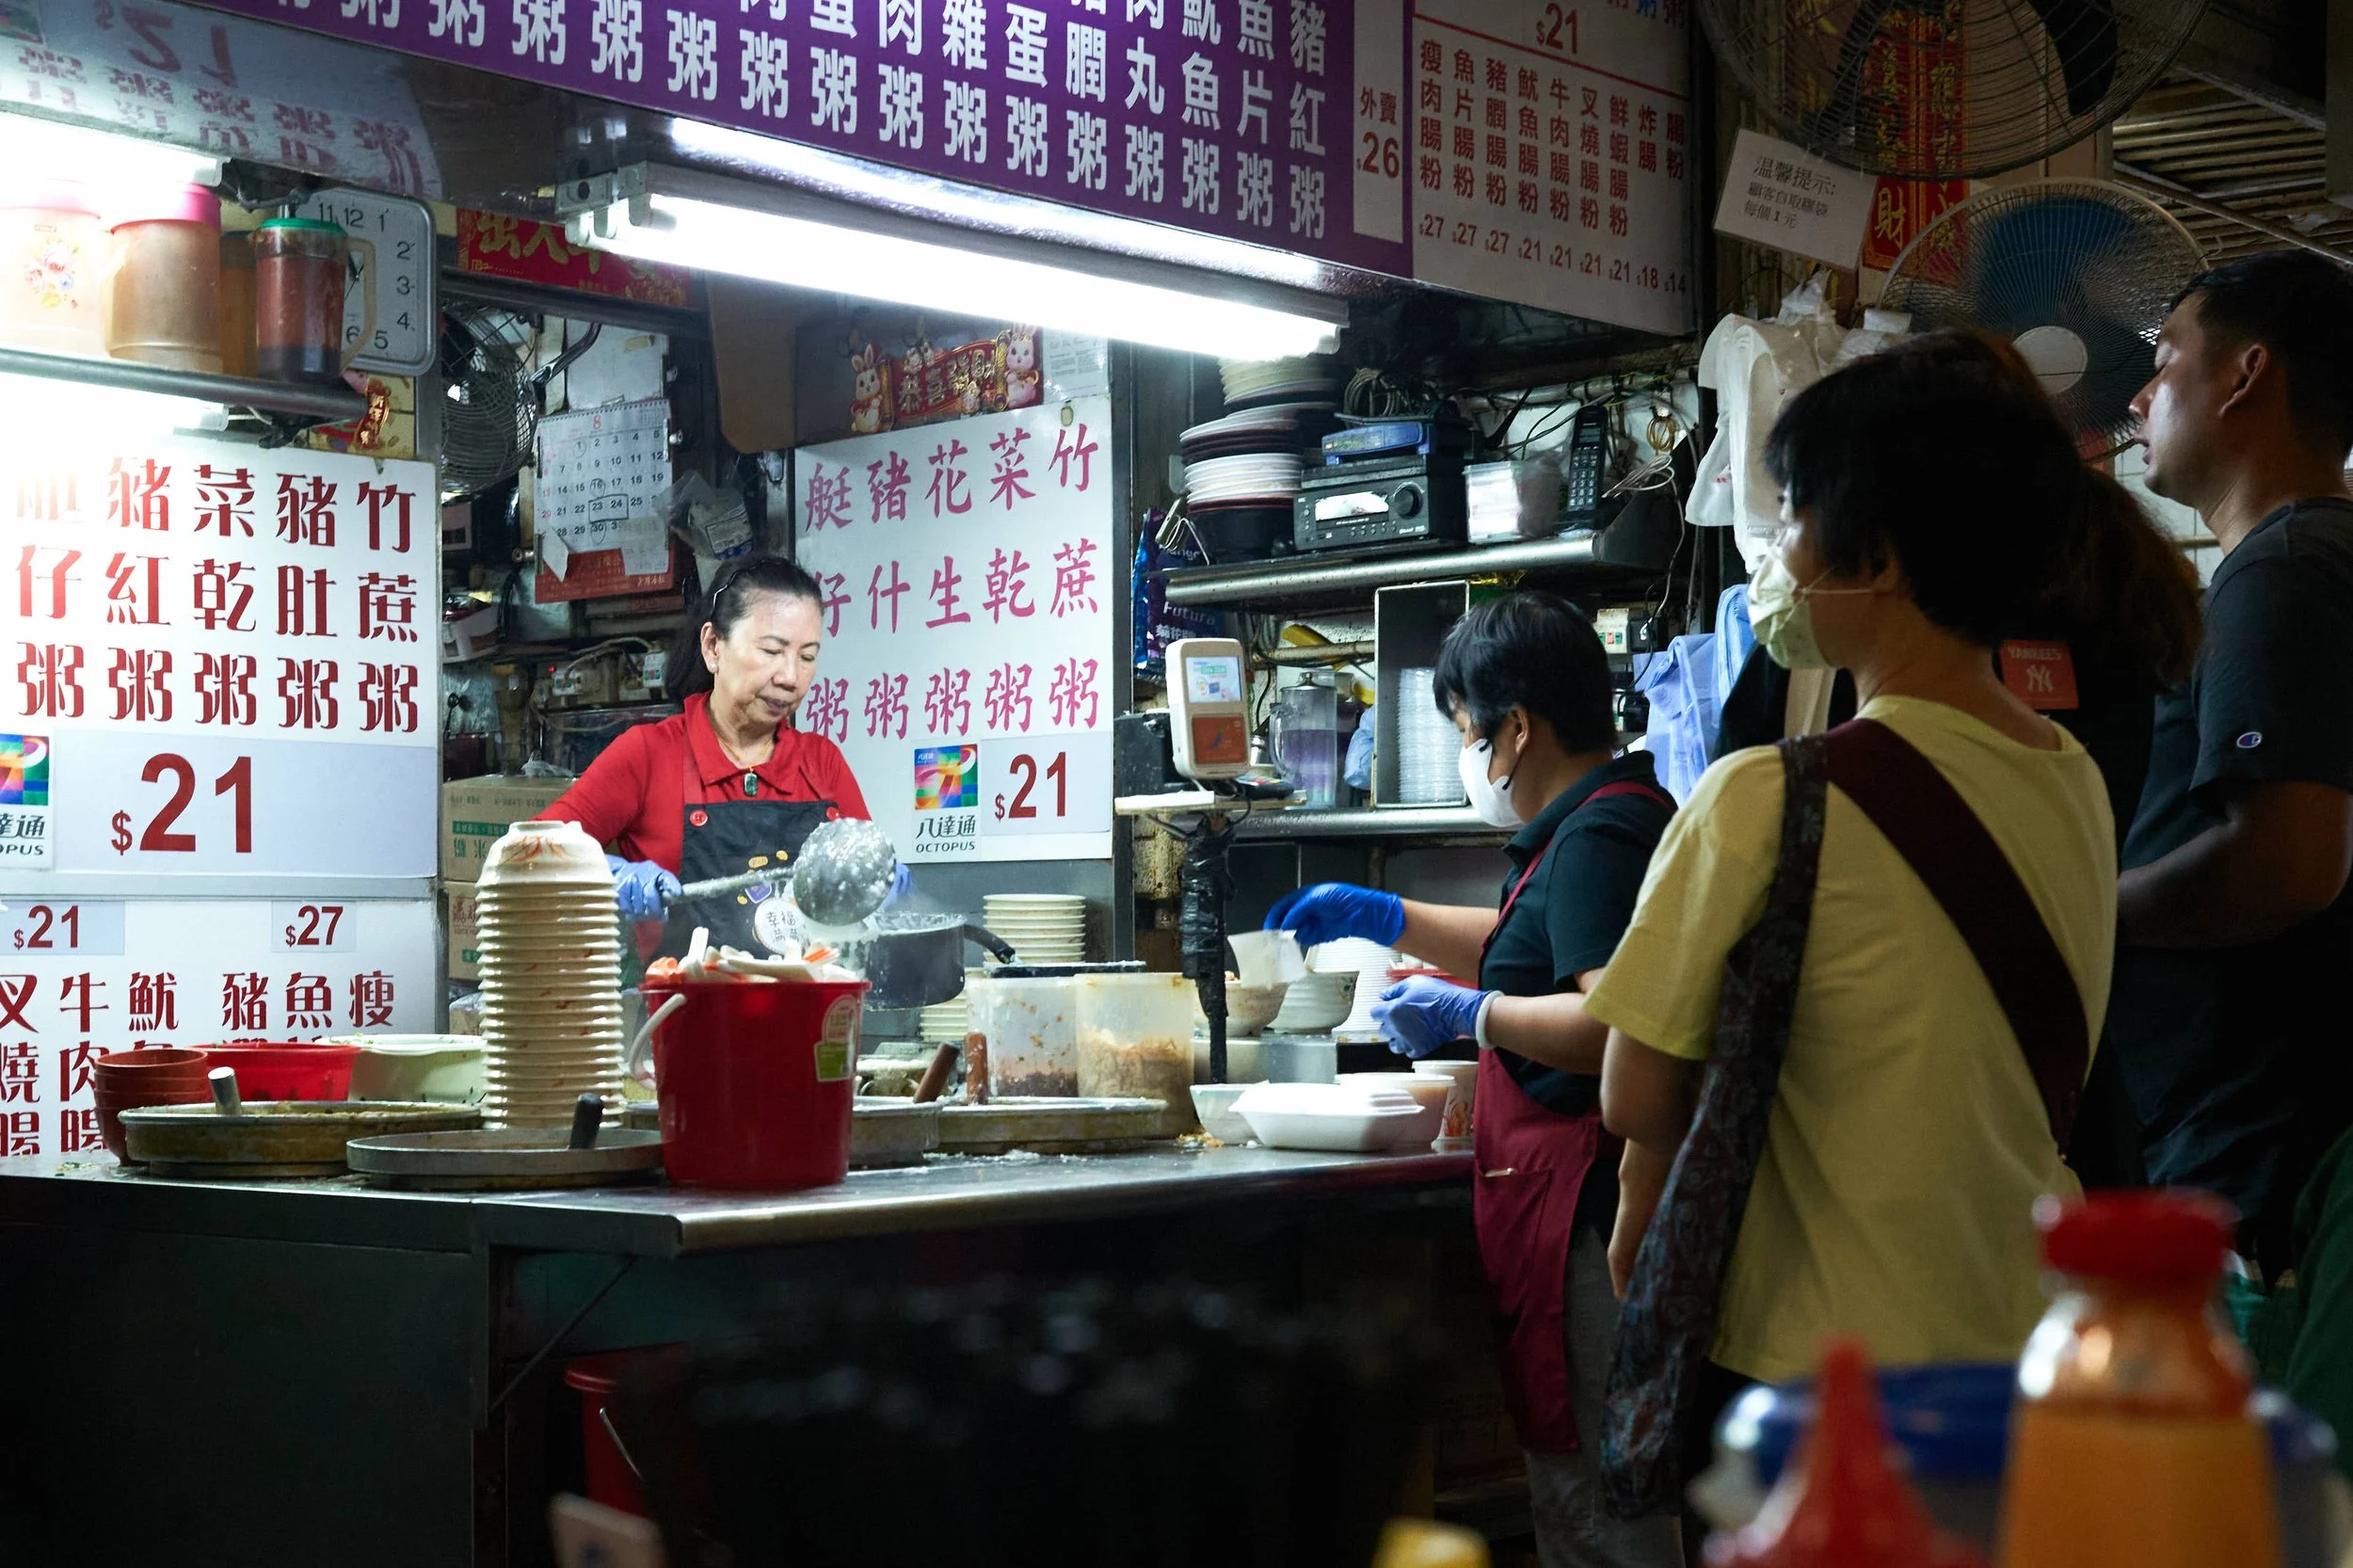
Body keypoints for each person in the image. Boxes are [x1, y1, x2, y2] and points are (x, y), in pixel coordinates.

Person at [1586, 332, 2202, 1514]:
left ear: (1879, 555)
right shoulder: (2068, 770)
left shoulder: (1767, 793)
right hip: (2020, 1353)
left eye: (1803, 513)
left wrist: (1639, 1189)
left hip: (1818, 1385)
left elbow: (1639, 1093)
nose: (1784, 550)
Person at [1263, 591, 1683, 1568]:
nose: (1472, 758)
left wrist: (1474, 1015)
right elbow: (1522, 947)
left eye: (1468, 732)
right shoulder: (1606, 817)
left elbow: (1620, 1024)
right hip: (1567, 1207)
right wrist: (1386, 916)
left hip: (1587, 1215)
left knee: (1602, 1516)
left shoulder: (1594, 841)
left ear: (1519, 728)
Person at [2105, 249, 2353, 1280]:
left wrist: (2081, 911)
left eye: (2165, 358)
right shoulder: (2317, 558)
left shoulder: (2281, 574)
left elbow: (2288, 861)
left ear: (2245, 375)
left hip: (2261, 1161)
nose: (2140, 392)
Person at [545, 556, 873, 956]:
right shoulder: (648, 755)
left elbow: (865, 881)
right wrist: (608, 874)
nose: (791, 677)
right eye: (772, 651)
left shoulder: (822, 762)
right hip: (685, 1013)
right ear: (713, 646)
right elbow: (523, 857)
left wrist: (876, 884)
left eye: (807, 657)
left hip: (816, 1015)